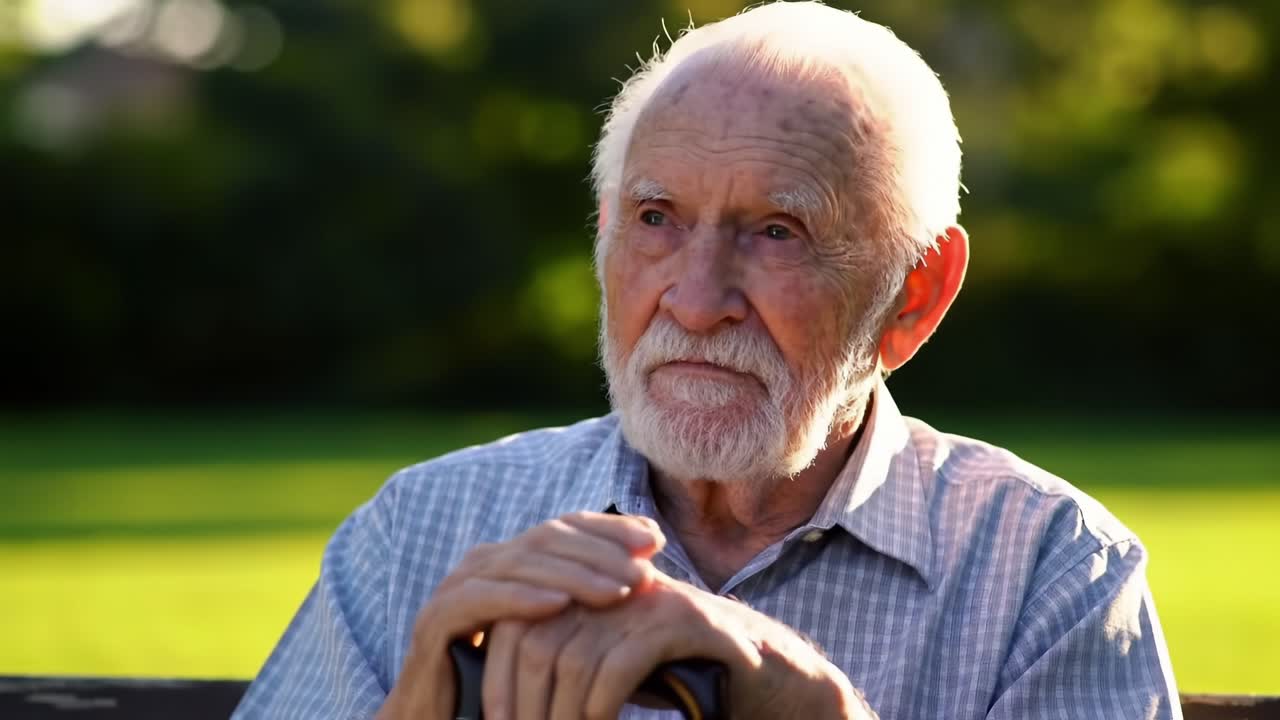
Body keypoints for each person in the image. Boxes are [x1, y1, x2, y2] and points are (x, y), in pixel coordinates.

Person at [233, 3, 1181, 718]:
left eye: (778, 231)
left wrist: (811, 706)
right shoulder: (418, 537)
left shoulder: (1048, 574)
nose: (694, 299)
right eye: (656, 219)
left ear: (915, 292)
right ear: (604, 237)